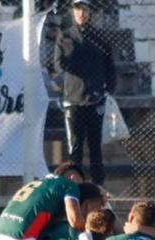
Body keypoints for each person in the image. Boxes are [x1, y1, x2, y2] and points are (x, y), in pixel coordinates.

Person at [54, 0, 116, 186]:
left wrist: (108, 91)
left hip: (95, 100)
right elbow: (59, 66)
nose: (81, 12)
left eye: (84, 8)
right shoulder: (65, 36)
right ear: (73, 12)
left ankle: (98, 186)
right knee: (76, 148)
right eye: (77, 9)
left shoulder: (99, 37)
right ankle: (74, 186)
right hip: (74, 101)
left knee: (95, 147)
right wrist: (68, 53)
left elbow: (109, 67)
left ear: (89, 11)